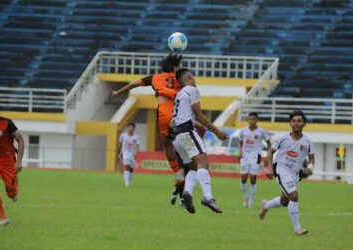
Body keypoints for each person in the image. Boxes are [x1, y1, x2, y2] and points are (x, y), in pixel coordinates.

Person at [112, 54, 185, 200]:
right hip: (179, 112)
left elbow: (133, 84)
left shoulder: (154, 77)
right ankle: (185, 176)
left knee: (167, 146)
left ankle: (178, 175)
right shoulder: (180, 77)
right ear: (175, 68)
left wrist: (118, 92)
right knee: (184, 147)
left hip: (164, 112)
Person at [171, 68, 228, 214]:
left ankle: (187, 193)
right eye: (193, 77)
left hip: (177, 137)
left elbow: (174, 121)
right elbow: (198, 114)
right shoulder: (191, 90)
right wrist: (217, 132)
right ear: (189, 77)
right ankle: (208, 197)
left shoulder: (179, 95)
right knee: (203, 163)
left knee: (193, 167)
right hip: (187, 132)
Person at [259, 110, 315, 236]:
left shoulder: (308, 142)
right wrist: (270, 168)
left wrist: (310, 167)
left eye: (299, 121)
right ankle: (297, 228)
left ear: (304, 124)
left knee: (284, 201)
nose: (296, 123)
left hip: (295, 174)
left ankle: (266, 205)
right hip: (281, 169)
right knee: (294, 196)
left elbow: (311, 158)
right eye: (293, 121)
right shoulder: (283, 138)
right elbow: (270, 152)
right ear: (290, 123)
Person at [0, 97, 25, 225]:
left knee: (11, 193)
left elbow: (20, 140)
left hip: (8, 161)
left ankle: (13, 191)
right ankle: (3, 218)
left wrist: (19, 161)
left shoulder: (7, 123)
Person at [238, 112, 271, 208]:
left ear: (257, 120)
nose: (251, 121)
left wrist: (268, 155)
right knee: (243, 178)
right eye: (250, 119)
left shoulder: (261, 131)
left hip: (256, 158)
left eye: (253, 119)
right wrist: (240, 152)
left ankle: (251, 201)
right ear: (247, 120)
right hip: (244, 157)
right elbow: (240, 142)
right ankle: (245, 197)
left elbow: (269, 144)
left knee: (253, 179)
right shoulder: (243, 131)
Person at [117, 123, 140, 187]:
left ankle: (128, 181)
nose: (131, 128)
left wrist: (136, 153)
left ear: (134, 129)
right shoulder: (123, 136)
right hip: (125, 153)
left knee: (131, 168)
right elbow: (120, 144)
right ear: (127, 128)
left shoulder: (136, 137)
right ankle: (127, 184)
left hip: (132, 154)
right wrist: (118, 152)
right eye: (129, 127)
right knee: (127, 166)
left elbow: (137, 145)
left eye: (132, 127)